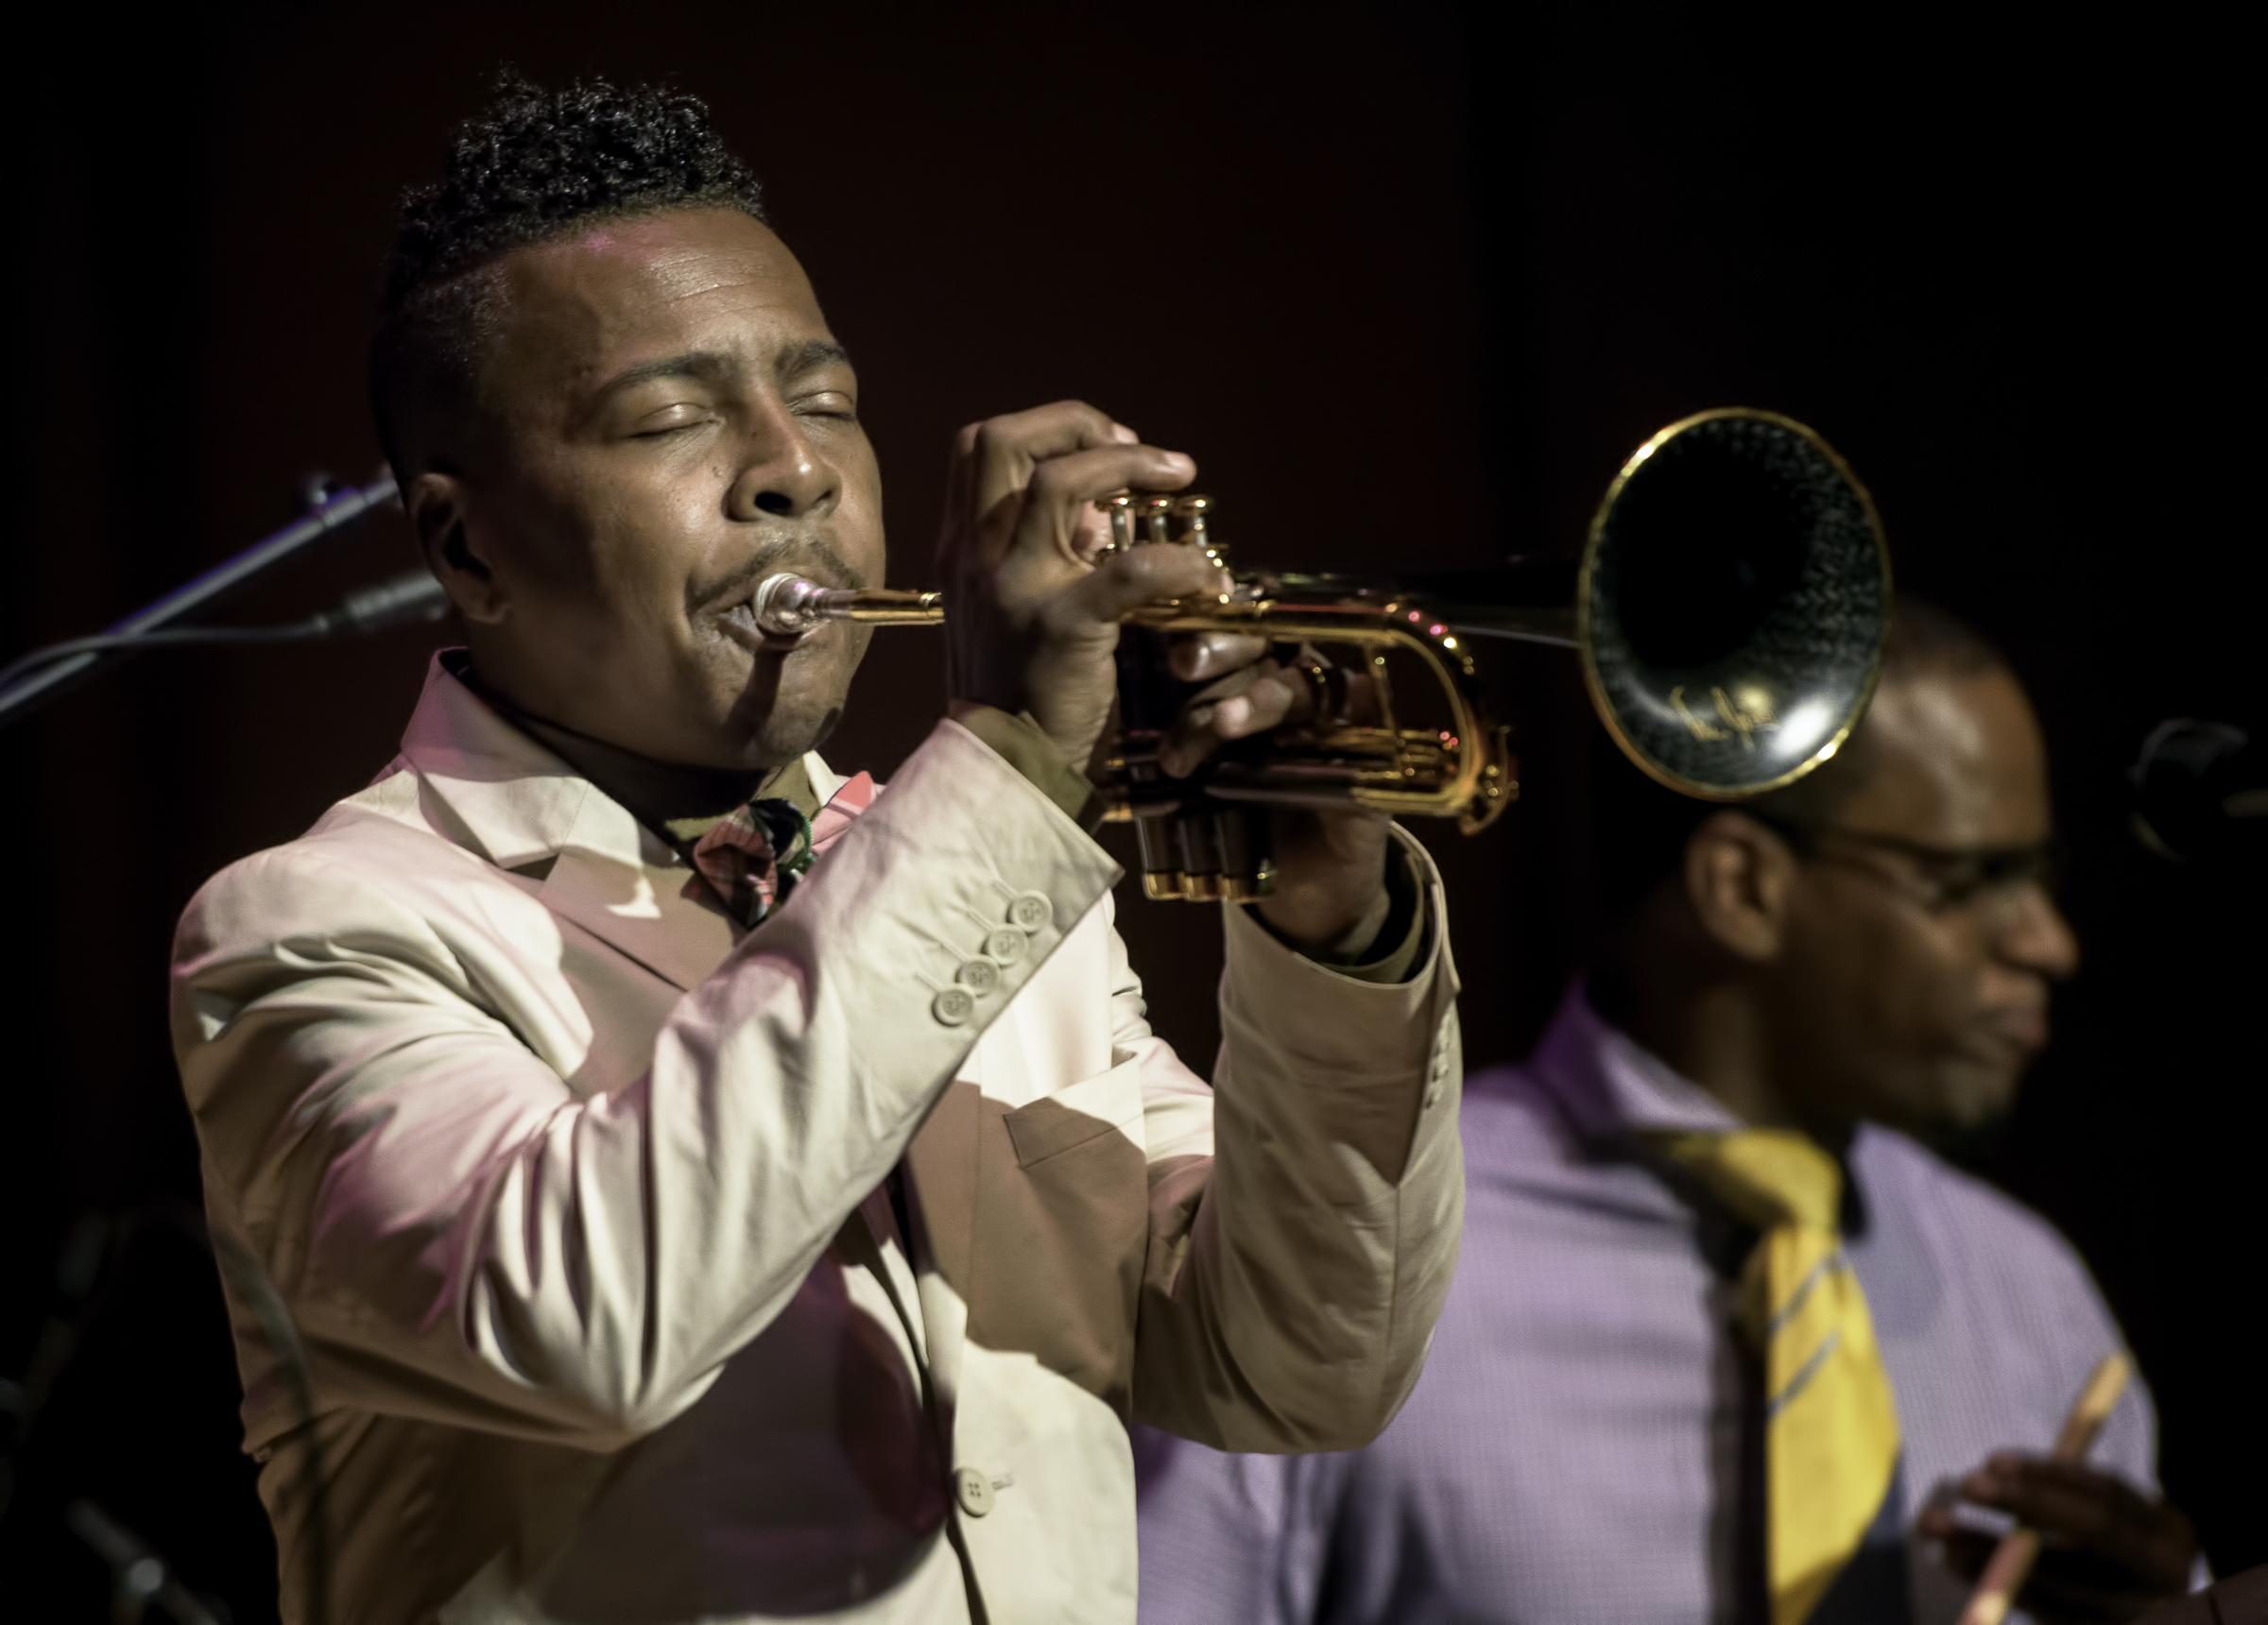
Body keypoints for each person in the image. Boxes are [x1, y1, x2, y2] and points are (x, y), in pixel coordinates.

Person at [169, 77, 1466, 1625]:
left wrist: (1334, 932)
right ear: (468, 546)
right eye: (667, 420)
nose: (798, 470)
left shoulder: (1013, 904)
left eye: (828, 399)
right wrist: (1008, 765)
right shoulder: (319, 930)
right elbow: (595, 1319)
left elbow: (1304, 1369)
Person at [1134, 600, 2202, 1624]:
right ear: (1742, 886)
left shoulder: (2031, 1291)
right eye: (1974, 879)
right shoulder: (1342, 1252)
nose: (2048, 943)